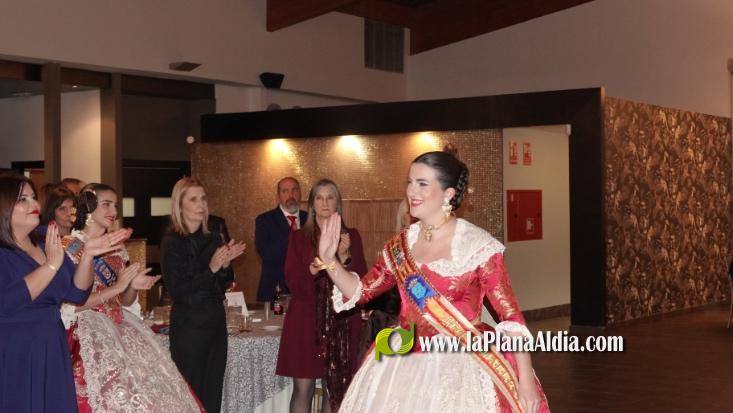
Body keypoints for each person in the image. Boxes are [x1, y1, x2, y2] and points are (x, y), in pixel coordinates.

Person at [316, 151, 551, 412]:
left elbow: (511, 317)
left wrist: (525, 380)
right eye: (410, 182)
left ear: (448, 194)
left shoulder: (476, 245)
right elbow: (360, 292)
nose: (411, 191)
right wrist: (330, 260)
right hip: (402, 357)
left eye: (422, 184)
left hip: (462, 365)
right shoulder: (400, 246)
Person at [60, 183, 203, 412]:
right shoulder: (68, 247)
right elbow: (70, 305)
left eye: (115, 205)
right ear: (88, 207)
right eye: (106, 204)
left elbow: (125, 301)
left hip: (121, 326)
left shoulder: (117, 248)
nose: (113, 211)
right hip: (87, 332)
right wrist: (117, 287)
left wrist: (133, 287)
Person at [0, 175, 125, 412]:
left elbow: (77, 293)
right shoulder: (5, 252)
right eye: (22, 199)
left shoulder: (44, 239)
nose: (34, 204)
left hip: (52, 342)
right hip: (17, 347)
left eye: (33, 197)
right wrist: (50, 266)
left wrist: (88, 255)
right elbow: (6, 303)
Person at [276, 179, 367, 413]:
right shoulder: (299, 237)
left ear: (338, 203)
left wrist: (343, 257)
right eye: (319, 197)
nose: (325, 203)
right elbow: (293, 282)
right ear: (312, 204)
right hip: (306, 320)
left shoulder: (352, 236)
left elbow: (361, 283)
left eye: (330, 197)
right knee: (303, 389)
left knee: (334, 390)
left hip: (341, 322)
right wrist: (315, 267)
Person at [160, 177, 246, 413]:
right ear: (180, 205)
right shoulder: (172, 242)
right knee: (190, 394)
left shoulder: (214, 236)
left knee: (212, 393)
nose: (201, 204)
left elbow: (224, 285)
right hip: (189, 328)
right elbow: (180, 293)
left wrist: (225, 266)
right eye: (193, 199)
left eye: (203, 198)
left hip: (215, 323)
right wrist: (211, 268)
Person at [255, 176, 307, 302]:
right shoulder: (264, 220)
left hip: (307, 289)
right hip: (276, 290)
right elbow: (267, 254)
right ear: (278, 196)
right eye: (285, 191)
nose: (291, 195)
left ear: (300, 194)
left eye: (294, 190)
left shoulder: (311, 219)